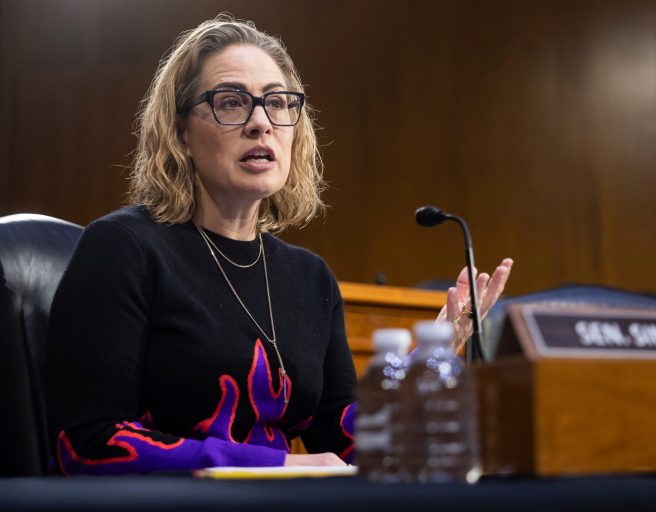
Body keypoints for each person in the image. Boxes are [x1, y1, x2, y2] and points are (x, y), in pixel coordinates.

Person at [46, 14, 513, 476]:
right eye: (231, 102)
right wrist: (281, 465)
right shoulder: (122, 249)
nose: (260, 123)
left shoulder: (310, 279)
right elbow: (89, 442)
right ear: (181, 132)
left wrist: (420, 372)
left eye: (277, 103)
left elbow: (346, 443)